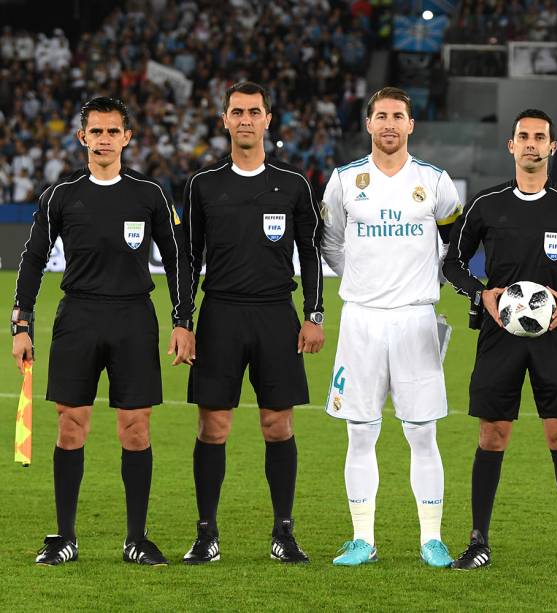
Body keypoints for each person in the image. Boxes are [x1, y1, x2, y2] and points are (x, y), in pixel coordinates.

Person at [11, 96, 195, 566]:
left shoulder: (150, 194)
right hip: (78, 318)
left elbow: (176, 260)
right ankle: (64, 538)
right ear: (83, 137)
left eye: (114, 131)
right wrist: (22, 322)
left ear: (127, 138)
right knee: (71, 426)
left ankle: (136, 538)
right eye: (97, 131)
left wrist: (181, 321)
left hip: (134, 317)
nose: (105, 139)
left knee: (135, 429)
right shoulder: (60, 195)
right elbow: (33, 259)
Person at [442, 109, 557, 572]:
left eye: (540, 137)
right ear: (511, 146)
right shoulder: (486, 205)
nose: (532, 144)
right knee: (493, 435)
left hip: (555, 337)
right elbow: (452, 264)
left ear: (552, 147)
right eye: (524, 137)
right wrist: (483, 292)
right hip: (500, 336)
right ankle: (478, 540)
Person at [180, 81, 324, 565]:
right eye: (237, 111)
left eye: (254, 111)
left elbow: (311, 256)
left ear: (267, 120)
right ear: (224, 120)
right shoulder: (204, 185)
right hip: (220, 314)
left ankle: (283, 532)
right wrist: (183, 320)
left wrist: (313, 315)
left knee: (277, 424)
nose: (245, 119)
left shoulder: (293, 184)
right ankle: (206, 533)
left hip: (275, 316)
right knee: (213, 425)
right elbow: (187, 258)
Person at [321, 86, 461, 568]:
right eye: (380, 116)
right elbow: (332, 244)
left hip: (415, 320)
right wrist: (365, 282)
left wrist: (421, 282)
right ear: (368, 123)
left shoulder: (437, 182)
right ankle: (363, 538)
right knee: (360, 434)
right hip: (360, 319)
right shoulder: (343, 181)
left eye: (397, 117)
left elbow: (453, 246)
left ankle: (431, 539)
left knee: (423, 434)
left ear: (410, 125)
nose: (388, 125)